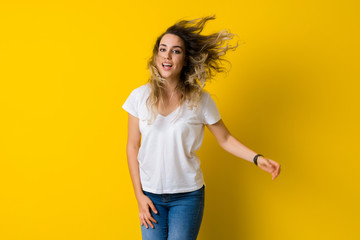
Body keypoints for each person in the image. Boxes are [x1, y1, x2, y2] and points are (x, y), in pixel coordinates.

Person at [122, 15, 281, 240]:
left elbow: (225, 139)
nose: (167, 56)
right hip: (150, 195)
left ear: (185, 59)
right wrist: (139, 195)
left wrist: (257, 158)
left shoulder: (200, 100)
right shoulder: (139, 97)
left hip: (187, 197)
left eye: (176, 51)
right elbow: (132, 146)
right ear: (156, 55)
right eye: (163, 49)